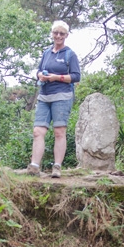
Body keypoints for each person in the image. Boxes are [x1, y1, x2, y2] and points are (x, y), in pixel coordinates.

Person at [27, 20, 81, 178]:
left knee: (59, 131)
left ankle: (57, 167)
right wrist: (40, 76)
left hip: (62, 96)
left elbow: (76, 76)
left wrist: (57, 77)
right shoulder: (46, 53)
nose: (58, 36)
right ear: (52, 34)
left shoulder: (70, 54)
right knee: (38, 131)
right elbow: (38, 70)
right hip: (44, 95)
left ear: (66, 36)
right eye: (56, 33)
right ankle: (34, 166)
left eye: (62, 33)